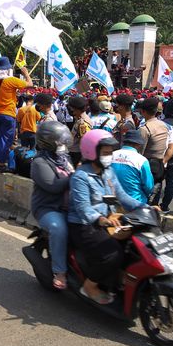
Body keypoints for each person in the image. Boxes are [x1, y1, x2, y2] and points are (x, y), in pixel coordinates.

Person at [68, 129, 145, 304]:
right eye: (105, 153)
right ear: (92, 152)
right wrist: (101, 219)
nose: (109, 156)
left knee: (133, 247)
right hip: (83, 225)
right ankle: (90, 286)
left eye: (110, 153)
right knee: (112, 253)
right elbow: (83, 208)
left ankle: (117, 282)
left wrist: (145, 207)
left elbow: (122, 196)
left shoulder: (108, 171)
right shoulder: (81, 176)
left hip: (107, 221)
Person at [30, 121, 74, 290]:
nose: (62, 145)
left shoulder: (64, 158)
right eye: (59, 142)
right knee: (58, 228)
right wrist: (74, 177)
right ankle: (59, 271)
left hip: (70, 206)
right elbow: (53, 186)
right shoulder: (40, 162)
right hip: (48, 208)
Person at [0, 56, 32, 172]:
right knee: (6, 140)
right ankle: (2, 164)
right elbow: (29, 84)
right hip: (8, 115)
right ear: (7, 69)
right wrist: (26, 73)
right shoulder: (11, 80)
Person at [138, 97, 173, 187]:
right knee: (155, 194)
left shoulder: (144, 128)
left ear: (143, 111)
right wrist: (163, 161)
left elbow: (140, 152)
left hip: (146, 166)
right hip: (160, 165)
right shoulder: (165, 126)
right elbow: (171, 147)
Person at [111, 130, 154, 204]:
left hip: (112, 200)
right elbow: (149, 187)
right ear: (138, 144)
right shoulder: (141, 160)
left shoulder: (111, 155)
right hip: (135, 202)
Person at [67, 96, 92, 166]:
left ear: (75, 108)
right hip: (74, 153)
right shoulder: (79, 119)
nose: (71, 109)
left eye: (72, 107)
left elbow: (84, 142)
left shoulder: (82, 123)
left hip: (77, 155)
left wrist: (82, 160)